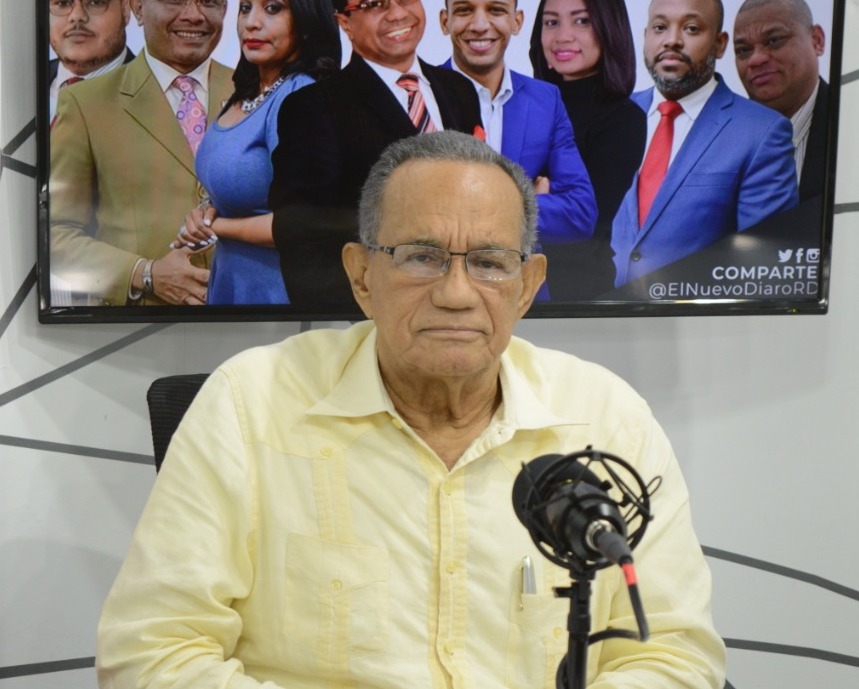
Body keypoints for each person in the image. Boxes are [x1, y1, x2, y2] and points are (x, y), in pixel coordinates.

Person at [96, 131, 726, 688]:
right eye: (421, 257)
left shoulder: (606, 418)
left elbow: (674, 653)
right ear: (361, 276)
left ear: (528, 287)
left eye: (490, 263)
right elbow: (151, 654)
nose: (456, 294)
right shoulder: (249, 404)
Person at [267, 0, 483, 310]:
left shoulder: (459, 89)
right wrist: (347, 315)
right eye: (374, 4)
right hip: (374, 308)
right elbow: (301, 232)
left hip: (463, 296)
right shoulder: (314, 106)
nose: (397, 14)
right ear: (345, 22)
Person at [49, 0, 233, 306]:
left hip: (249, 317)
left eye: (209, 1)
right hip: (138, 323)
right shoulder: (86, 103)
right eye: (175, 0)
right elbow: (55, 234)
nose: (194, 15)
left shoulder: (260, 92)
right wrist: (144, 274)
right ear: (136, 8)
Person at [611, 0, 799, 288]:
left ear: (720, 44)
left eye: (691, 28)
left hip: (697, 314)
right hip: (596, 309)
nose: (672, 40)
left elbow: (765, 270)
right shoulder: (610, 119)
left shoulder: (762, 132)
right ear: (645, 36)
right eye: (660, 27)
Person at [171, 0, 341, 305]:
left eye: (272, 8)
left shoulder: (300, 94)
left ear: (305, 21)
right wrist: (207, 211)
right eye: (246, 8)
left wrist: (215, 227)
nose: (251, 22)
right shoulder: (249, 91)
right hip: (234, 287)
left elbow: (307, 222)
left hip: (279, 299)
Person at [439, 0, 597, 304]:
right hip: (440, 291)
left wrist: (473, 207)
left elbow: (580, 214)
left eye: (496, 10)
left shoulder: (545, 100)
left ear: (517, 21)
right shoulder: (418, 94)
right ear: (445, 21)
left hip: (523, 299)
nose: (480, 25)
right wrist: (525, 198)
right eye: (464, 10)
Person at [529, 0, 645, 299]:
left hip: (576, 296)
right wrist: (541, 198)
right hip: (510, 286)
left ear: (609, 30)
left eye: (581, 21)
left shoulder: (623, 118)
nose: (563, 36)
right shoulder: (523, 104)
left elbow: (582, 226)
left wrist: (522, 200)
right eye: (551, 22)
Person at [733, 0, 828, 201]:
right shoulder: (723, 142)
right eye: (743, 50)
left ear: (817, 41)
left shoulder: (850, 121)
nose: (756, 59)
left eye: (774, 40)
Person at [48, 0, 136, 124]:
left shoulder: (156, 94)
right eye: (63, 3)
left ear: (125, 10)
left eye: (96, 2)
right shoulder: (25, 84)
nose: (77, 16)